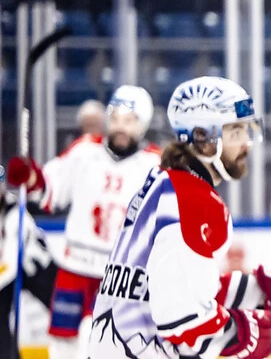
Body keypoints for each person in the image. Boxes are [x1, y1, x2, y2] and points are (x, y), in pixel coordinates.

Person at [87, 76, 271, 358]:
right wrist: (242, 333)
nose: (247, 144)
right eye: (235, 132)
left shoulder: (163, 181)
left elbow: (178, 288)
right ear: (203, 139)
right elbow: (180, 320)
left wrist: (263, 290)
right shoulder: (193, 202)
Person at [6, 85, 161, 359]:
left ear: (142, 125)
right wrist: (30, 177)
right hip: (74, 266)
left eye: (129, 121)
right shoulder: (85, 151)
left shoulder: (154, 165)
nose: (120, 127)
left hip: (118, 275)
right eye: (115, 118)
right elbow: (49, 190)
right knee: (61, 343)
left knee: (101, 341)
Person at [0, 165, 58, 359]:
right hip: (15, 274)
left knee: (64, 318)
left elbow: (10, 265)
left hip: (40, 272)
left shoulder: (16, 215)